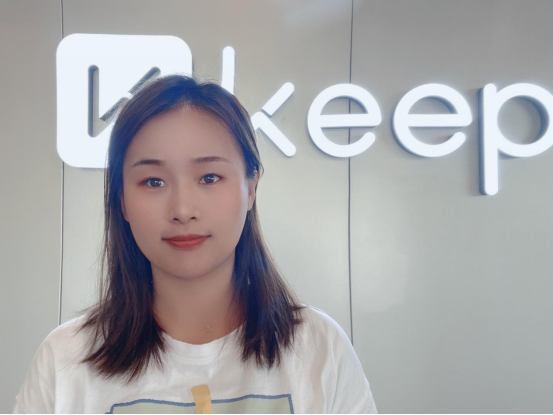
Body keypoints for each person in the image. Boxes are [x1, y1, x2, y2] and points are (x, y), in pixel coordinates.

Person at [13, 74, 378, 414]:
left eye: (209, 177)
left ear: (251, 188)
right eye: (153, 182)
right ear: (121, 200)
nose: (183, 210)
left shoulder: (318, 348)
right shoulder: (65, 361)